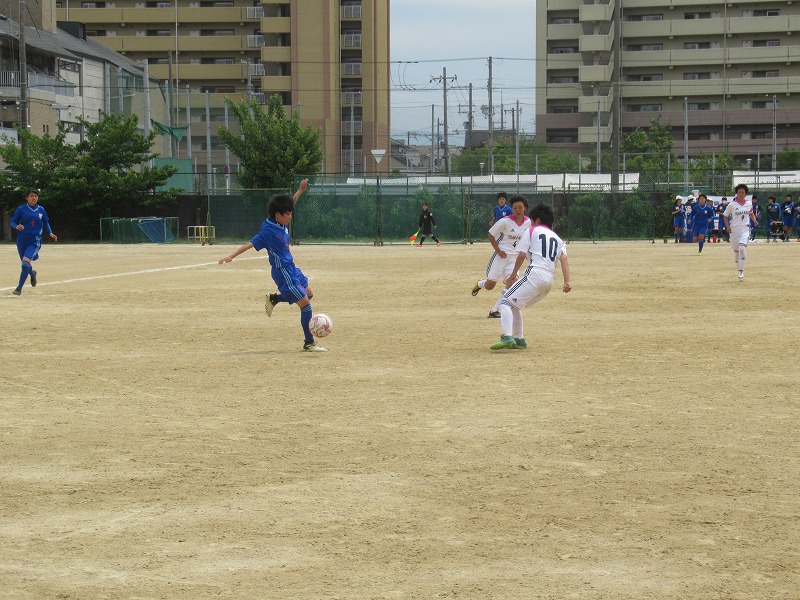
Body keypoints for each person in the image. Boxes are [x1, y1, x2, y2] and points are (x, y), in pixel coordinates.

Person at [218, 179, 327, 352]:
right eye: (288, 214)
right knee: (306, 305)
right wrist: (230, 256)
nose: (291, 216)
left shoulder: (280, 220)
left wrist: (300, 190)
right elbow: (250, 244)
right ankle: (309, 342)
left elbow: (291, 202)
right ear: (278, 214)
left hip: (291, 268)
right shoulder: (268, 231)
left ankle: (275, 298)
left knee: (309, 294)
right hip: (282, 272)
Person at [490, 203, 571, 350]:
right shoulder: (558, 239)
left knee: (504, 302)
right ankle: (520, 339)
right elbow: (564, 259)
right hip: (549, 281)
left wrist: (513, 274)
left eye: (532, 221)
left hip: (535, 274)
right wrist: (567, 282)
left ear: (537, 220)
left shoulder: (532, 231)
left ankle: (507, 336)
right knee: (515, 304)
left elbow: (521, 254)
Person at [471, 194, 531, 318]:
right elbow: (490, 234)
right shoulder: (505, 222)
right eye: (515, 208)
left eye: (520, 207)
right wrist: (498, 251)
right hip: (501, 256)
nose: (517, 210)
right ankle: (480, 283)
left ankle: (494, 310)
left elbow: (528, 239)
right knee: (490, 285)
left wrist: (526, 254)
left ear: (525, 208)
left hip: (514, 258)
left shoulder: (528, 222)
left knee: (512, 282)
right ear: (512, 209)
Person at [10, 188, 57, 296]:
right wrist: (16, 226)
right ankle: (33, 273)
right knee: (25, 264)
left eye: (35, 196)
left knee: (25, 262)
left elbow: (45, 222)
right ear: (27, 198)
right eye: (31, 196)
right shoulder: (21, 209)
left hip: (34, 240)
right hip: (21, 240)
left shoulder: (41, 210)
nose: (34, 198)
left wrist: (50, 232)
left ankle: (19, 288)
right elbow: (13, 220)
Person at [723, 183, 757, 282]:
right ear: (736, 193)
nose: (741, 194)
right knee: (736, 251)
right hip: (734, 229)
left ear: (746, 193)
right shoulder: (732, 204)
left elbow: (750, 213)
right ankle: (739, 268)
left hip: (745, 228)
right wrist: (728, 226)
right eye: (739, 192)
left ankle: (741, 271)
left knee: (742, 247)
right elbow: (725, 216)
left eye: (743, 192)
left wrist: (754, 220)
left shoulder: (749, 203)